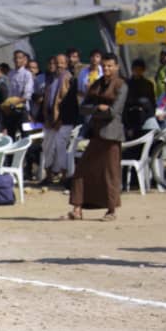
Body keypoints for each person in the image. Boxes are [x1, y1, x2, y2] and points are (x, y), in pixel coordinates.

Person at [62, 54, 127, 222]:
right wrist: (98, 107)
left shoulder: (121, 85)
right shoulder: (97, 84)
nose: (106, 69)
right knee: (82, 170)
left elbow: (114, 111)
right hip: (96, 133)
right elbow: (83, 108)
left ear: (116, 67)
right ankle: (77, 209)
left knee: (110, 173)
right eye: (104, 66)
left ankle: (111, 211)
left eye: (110, 66)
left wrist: (99, 109)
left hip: (111, 135)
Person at [41, 53, 80, 186]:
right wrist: (46, 118)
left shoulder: (69, 79)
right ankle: (49, 175)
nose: (59, 65)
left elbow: (69, 103)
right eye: (57, 62)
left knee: (60, 147)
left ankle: (64, 176)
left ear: (66, 64)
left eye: (62, 63)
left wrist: (61, 120)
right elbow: (47, 101)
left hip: (64, 121)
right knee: (47, 147)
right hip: (50, 120)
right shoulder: (51, 79)